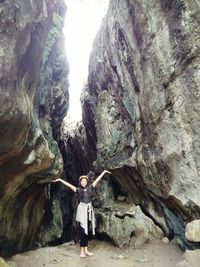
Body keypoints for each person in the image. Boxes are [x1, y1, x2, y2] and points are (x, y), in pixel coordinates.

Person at [52, 169, 111, 258]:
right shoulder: (78, 190)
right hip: (82, 211)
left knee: (86, 231)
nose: (83, 182)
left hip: (88, 211)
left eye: (85, 181)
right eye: (82, 181)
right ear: (80, 182)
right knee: (82, 231)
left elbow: (98, 179)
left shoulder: (91, 187)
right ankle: (82, 251)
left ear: (87, 182)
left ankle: (86, 250)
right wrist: (60, 180)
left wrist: (104, 172)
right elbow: (69, 185)